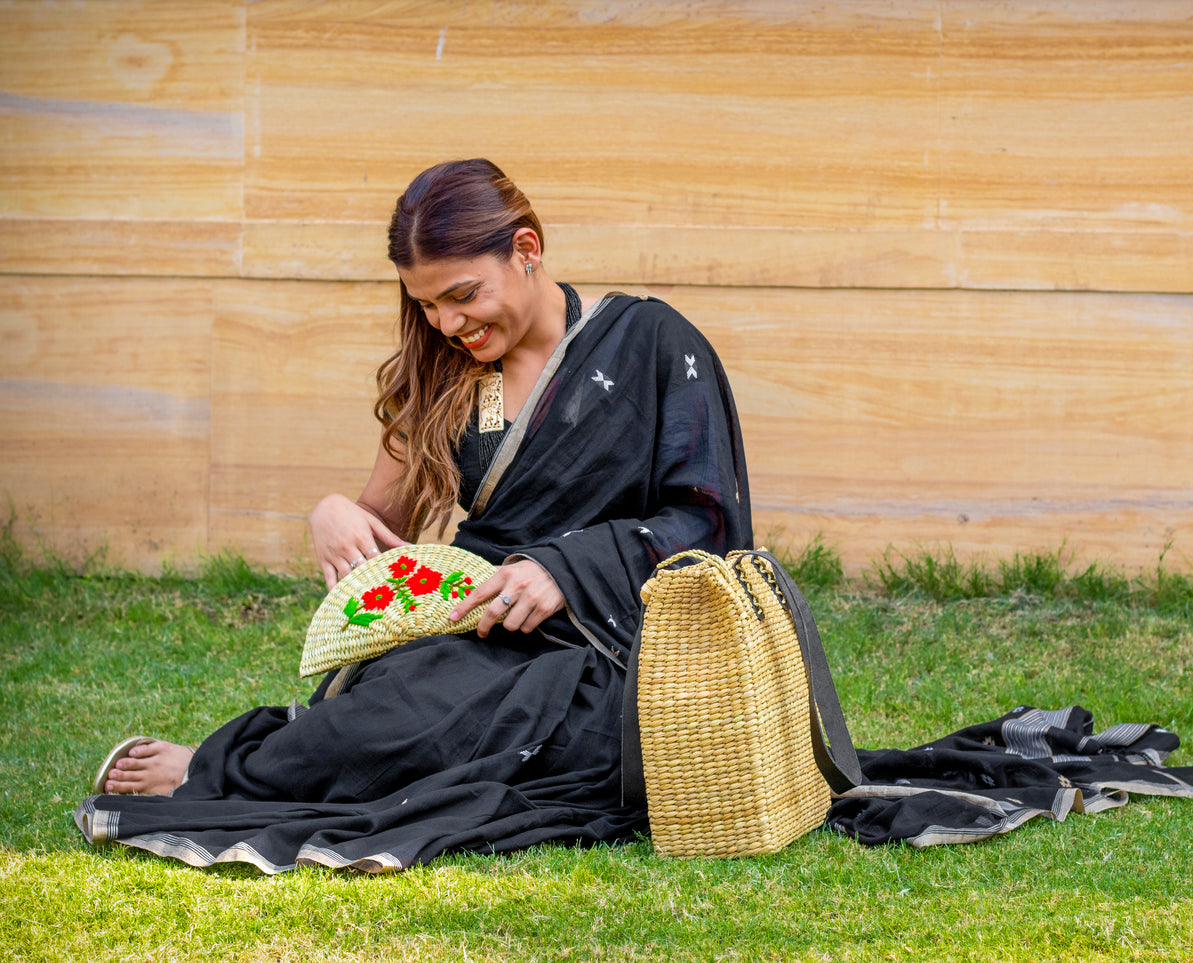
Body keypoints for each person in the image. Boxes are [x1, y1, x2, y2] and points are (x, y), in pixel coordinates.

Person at [77, 158, 753, 872]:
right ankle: (290, 751)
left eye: (462, 295)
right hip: (474, 625)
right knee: (404, 695)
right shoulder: (449, 370)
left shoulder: (650, 341)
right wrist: (332, 513)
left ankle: (222, 768)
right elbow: (377, 520)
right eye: (427, 304)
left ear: (526, 250)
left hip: (605, 649)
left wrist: (565, 571)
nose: (448, 322)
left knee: (444, 718)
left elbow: (710, 525)